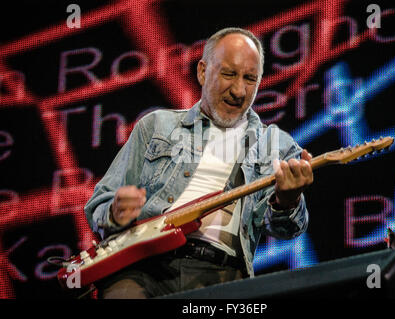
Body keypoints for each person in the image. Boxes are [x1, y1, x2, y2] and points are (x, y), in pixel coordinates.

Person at [84, 27, 313, 299]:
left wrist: (287, 202)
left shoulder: (277, 145)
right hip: (143, 268)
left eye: (250, 79)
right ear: (203, 71)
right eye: (229, 74)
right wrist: (114, 213)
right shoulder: (157, 125)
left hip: (223, 275)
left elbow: (290, 230)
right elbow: (98, 203)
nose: (239, 90)